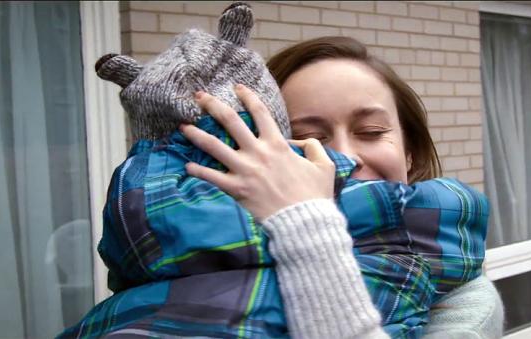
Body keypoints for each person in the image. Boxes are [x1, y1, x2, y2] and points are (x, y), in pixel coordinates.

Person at [181, 36, 504, 338]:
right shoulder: (193, 258)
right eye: (309, 137)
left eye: (372, 131)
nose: (345, 157)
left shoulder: (463, 302)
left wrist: (304, 227)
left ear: (410, 154)